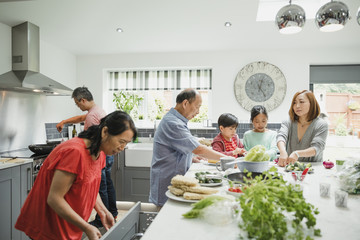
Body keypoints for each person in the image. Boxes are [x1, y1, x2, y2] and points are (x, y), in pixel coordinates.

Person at [15, 111, 137, 240]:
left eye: (126, 143)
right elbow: (54, 198)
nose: (122, 148)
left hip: (68, 226)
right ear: (105, 132)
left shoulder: (99, 152)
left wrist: (103, 211)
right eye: (121, 141)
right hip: (49, 228)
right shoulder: (75, 152)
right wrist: (87, 227)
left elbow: (90, 186)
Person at [149, 88, 226, 207]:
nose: (198, 112)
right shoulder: (173, 123)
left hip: (174, 179)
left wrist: (191, 159)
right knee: (165, 217)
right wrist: (227, 160)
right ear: (185, 103)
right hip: (167, 180)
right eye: (197, 106)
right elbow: (198, 149)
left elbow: (177, 149)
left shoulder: (177, 120)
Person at [56, 86, 117, 227]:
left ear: (82, 100)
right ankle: (112, 212)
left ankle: (101, 220)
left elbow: (92, 141)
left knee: (100, 187)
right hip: (107, 155)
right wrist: (64, 122)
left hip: (100, 155)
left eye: (77, 103)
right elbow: (80, 118)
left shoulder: (91, 116)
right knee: (107, 184)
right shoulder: (97, 111)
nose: (77, 106)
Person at [277, 90, 328, 167]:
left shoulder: (321, 124)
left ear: (311, 103)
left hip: (313, 167)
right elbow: (281, 136)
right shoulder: (288, 121)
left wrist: (297, 153)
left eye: (301, 102)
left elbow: (317, 148)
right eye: (294, 103)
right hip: (291, 167)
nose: (297, 106)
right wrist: (282, 151)